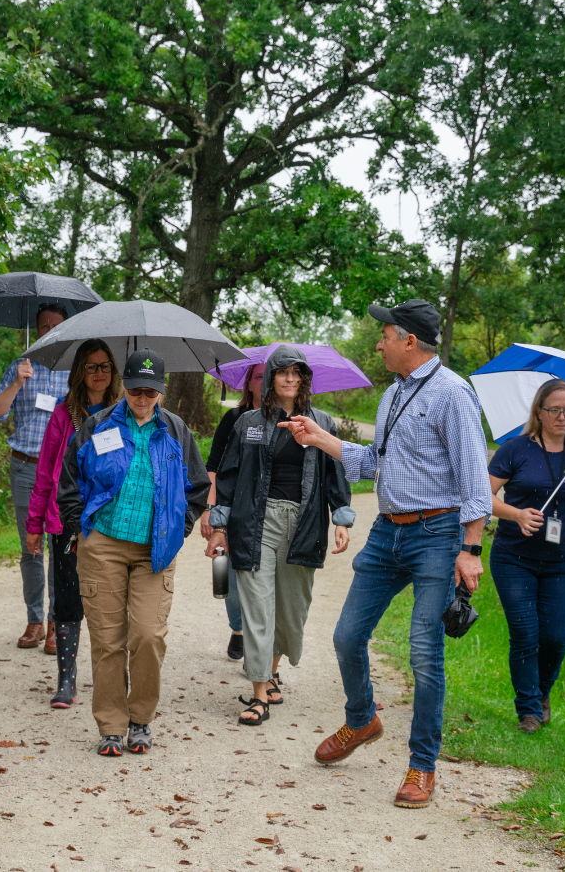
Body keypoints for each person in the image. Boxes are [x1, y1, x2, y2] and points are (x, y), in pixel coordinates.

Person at [276, 298, 491, 809]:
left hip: (438, 536)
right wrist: (317, 436)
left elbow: (475, 481)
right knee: (347, 636)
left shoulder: (453, 394)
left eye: (385, 334)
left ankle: (422, 766)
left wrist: (470, 549)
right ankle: (361, 720)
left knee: (424, 651)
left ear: (409, 341)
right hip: (387, 534)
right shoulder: (394, 394)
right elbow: (374, 460)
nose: (378, 342)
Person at [56, 348, 209, 757]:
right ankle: (111, 725)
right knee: (108, 641)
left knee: (147, 635)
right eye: (137, 390)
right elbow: (69, 481)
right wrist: (79, 529)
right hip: (102, 544)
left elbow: (196, 487)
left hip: (155, 549)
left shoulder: (176, 430)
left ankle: (141, 718)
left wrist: (181, 527)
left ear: (162, 390)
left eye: (151, 392)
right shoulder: (97, 425)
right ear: (124, 386)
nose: (143, 399)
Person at [208, 346, 355, 725]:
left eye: (297, 373)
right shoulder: (250, 423)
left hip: (304, 523)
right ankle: (258, 694)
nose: (290, 379)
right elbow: (227, 478)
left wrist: (341, 517)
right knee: (257, 608)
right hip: (256, 523)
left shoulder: (321, 422)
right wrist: (219, 526)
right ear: (270, 377)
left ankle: (272, 670)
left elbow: (335, 471)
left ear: (305, 379)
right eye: (282, 372)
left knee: (290, 611)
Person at [486, 378, 565, 733]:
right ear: (539, 412)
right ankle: (527, 709)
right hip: (514, 556)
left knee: (556, 638)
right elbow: (484, 495)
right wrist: (517, 514)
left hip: (562, 561)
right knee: (525, 633)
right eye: (554, 410)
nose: (562, 417)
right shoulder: (515, 449)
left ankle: (541, 692)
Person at [25, 339, 122, 708]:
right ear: (80, 371)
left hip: (112, 521)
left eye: (105, 366)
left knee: (111, 600)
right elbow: (46, 474)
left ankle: (113, 676)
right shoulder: (64, 415)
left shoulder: (124, 413)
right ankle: (67, 680)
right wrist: (34, 523)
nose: (99, 373)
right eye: (92, 366)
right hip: (66, 519)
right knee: (67, 596)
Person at [0, 304, 72, 650]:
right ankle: (34, 620)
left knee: (60, 548)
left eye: (55, 324)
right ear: (35, 329)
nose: (48, 329)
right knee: (31, 548)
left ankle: (56, 622)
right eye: (43, 324)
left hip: (62, 472)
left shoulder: (73, 370)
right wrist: (18, 383)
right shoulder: (21, 367)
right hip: (25, 467)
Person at [202, 362, 265, 661]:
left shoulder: (289, 421)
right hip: (233, 508)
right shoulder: (234, 418)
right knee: (230, 575)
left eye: (271, 376)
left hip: (267, 512)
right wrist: (210, 511)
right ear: (249, 384)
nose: (266, 382)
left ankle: (258, 639)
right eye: (260, 376)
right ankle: (238, 628)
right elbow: (214, 467)